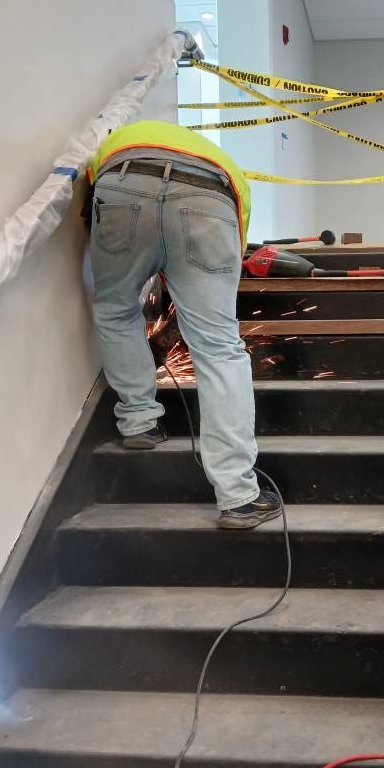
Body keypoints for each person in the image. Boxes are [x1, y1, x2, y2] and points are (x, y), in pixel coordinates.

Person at [85, 119, 279, 530]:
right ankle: (239, 497)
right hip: (210, 196)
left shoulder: (112, 144)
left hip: (123, 181)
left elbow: (93, 205)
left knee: (115, 308)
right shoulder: (225, 166)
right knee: (218, 346)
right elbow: (234, 238)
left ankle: (139, 421)